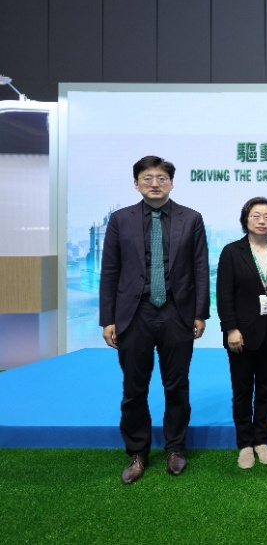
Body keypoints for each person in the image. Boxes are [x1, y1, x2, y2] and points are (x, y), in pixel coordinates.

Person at [99, 155, 209, 485]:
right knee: (134, 388)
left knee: (177, 385)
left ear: (171, 183)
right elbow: (110, 270)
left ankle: (175, 448)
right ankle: (138, 452)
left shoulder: (192, 218)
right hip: (134, 313)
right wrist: (108, 318)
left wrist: (200, 313)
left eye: (162, 178)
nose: (155, 183)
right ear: (136, 184)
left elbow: (200, 268)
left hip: (177, 311)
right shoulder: (121, 219)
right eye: (147, 178)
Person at [217, 197, 267, 470]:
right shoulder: (232, 251)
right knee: (242, 389)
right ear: (246, 219)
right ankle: (245, 444)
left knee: (266, 389)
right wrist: (231, 328)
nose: (262, 221)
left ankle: (261, 440)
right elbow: (224, 294)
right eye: (256, 215)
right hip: (241, 334)